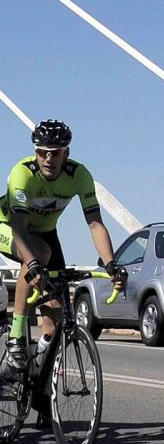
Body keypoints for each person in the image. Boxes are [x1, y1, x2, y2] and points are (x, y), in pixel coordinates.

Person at [1, 119, 125, 372]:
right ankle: (16, 336)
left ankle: (40, 368)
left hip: (46, 232)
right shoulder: (22, 173)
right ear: (35, 152)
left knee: (57, 310)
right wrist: (33, 263)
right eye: (42, 152)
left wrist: (111, 264)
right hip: (9, 226)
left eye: (55, 153)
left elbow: (95, 224)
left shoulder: (79, 176)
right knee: (39, 253)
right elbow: (20, 226)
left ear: (66, 153)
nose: (48, 159)